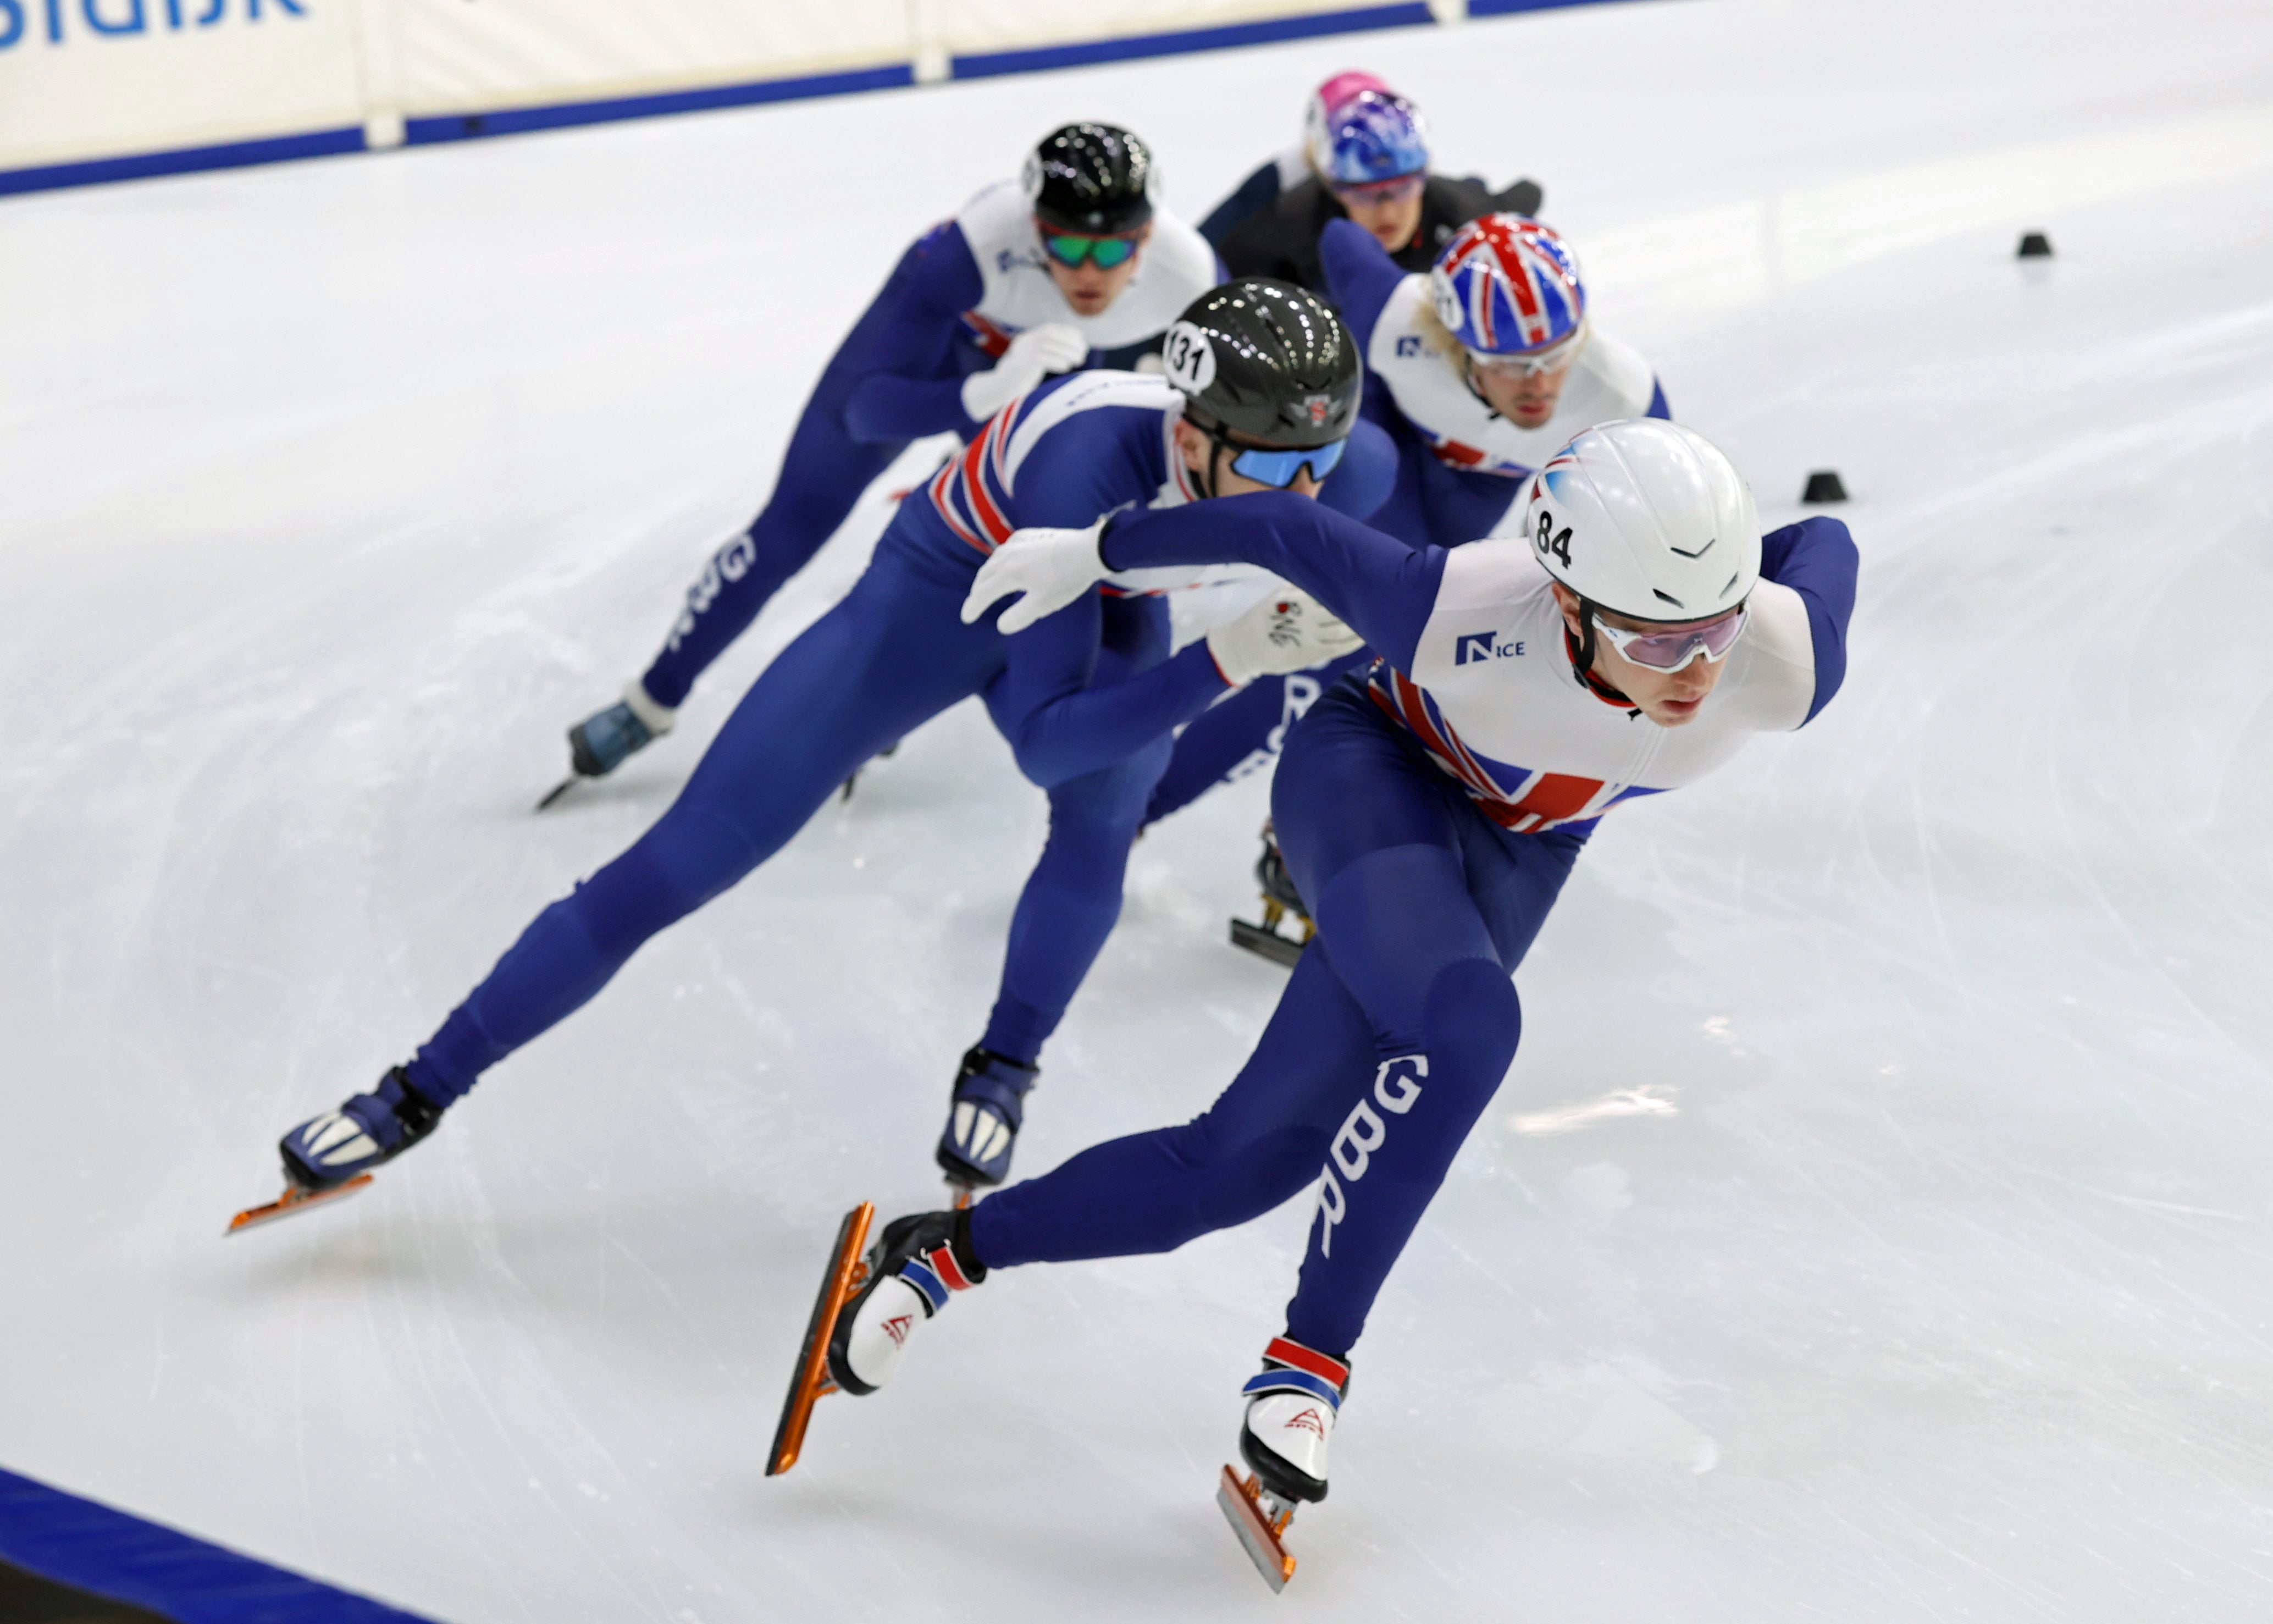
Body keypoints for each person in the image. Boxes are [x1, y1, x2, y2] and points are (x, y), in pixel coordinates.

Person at [805, 418, 1858, 1557]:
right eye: (1655, 645)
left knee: (1241, 1164)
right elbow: (1279, 524)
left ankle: (941, 1249)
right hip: (1371, 769)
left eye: (1713, 629)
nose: (1698, 671)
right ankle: (1307, 1367)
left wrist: (1721, 572)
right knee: (1467, 1023)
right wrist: (1099, 551)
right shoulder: (1460, 604)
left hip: (1523, 847)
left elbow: (1822, 541)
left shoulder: (1784, 660)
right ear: (1566, 605)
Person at [264, 282, 1397, 1216]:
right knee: (678, 866)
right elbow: (1045, 745)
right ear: (1188, 435)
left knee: (1115, 801)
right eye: (1265, 473)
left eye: (1319, 464)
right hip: (941, 599)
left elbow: (1373, 556)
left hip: (1101, 595)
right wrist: (1230, 658)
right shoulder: (1083, 465)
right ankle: (417, 1087)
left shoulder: (1329, 464)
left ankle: (1006, 1060)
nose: (1296, 498)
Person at [554, 123, 1224, 792]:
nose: (1087, 271)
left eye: (1113, 251)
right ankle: (650, 700)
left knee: (1007, 531)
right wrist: (983, 390)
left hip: (1054, 365)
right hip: (939, 359)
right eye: (1066, 244)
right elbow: (867, 409)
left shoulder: (1188, 271)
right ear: (1033, 228)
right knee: (787, 530)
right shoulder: (977, 248)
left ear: (1148, 238)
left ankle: (902, 680)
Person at [1143, 213, 1672, 870]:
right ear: (1454, 343)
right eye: (1508, 365)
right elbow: (1339, 237)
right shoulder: (1395, 320)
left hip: (1469, 494)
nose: (1538, 383)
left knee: (1414, 657)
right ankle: (1144, 807)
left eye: (1555, 356)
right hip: (1389, 452)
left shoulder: (1621, 394)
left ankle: (1324, 805)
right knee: (1333, 646)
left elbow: (1663, 515)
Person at [1213, 76, 1541, 299]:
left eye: (1402, 189)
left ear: (1424, 177)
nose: (1386, 211)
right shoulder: (1289, 223)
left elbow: (1526, 196)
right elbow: (1206, 276)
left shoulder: (1465, 213)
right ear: (1334, 188)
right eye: (1363, 194)